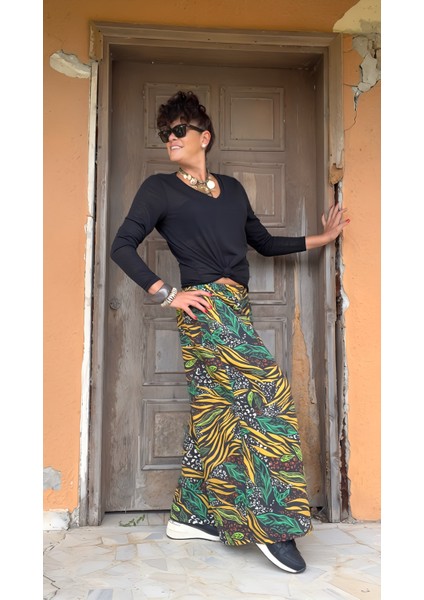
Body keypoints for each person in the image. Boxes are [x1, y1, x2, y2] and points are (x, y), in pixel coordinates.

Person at [110, 90, 349, 574]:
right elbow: (122, 246)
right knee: (268, 398)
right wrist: (167, 293)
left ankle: (190, 515)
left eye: (179, 130)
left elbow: (263, 242)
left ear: (204, 137)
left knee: (214, 413)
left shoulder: (234, 190)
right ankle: (271, 525)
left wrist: (322, 238)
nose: (171, 138)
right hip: (205, 311)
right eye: (165, 133)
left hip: (236, 308)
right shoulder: (159, 189)